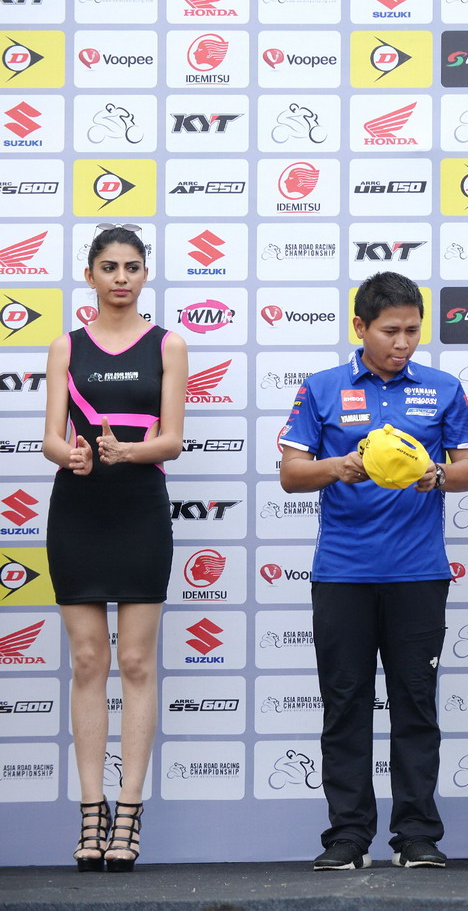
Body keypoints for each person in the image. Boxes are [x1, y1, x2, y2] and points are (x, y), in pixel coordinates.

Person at [278, 272, 468, 870]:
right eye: (390, 331)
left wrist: (436, 475)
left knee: (416, 704)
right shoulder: (321, 388)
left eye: (412, 331)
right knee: (344, 705)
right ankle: (347, 837)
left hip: (419, 573)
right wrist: (339, 466)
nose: (402, 342)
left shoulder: (443, 388)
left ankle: (416, 835)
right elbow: (291, 473)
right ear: (360, 327)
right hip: (342, 573)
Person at [42, 226, 187, 871]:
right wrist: (70, 455)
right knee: (86, 660)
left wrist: (128, 452)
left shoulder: (168, 344)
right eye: (109, 267)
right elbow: (51, 437)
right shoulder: (66, 346)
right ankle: (90, 808)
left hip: (140, 508)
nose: (121, 278)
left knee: (134, 661)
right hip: (79, 509)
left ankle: (128, 810)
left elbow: (173, 440)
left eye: (131, 267)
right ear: (91, 275)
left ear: (145, 274)